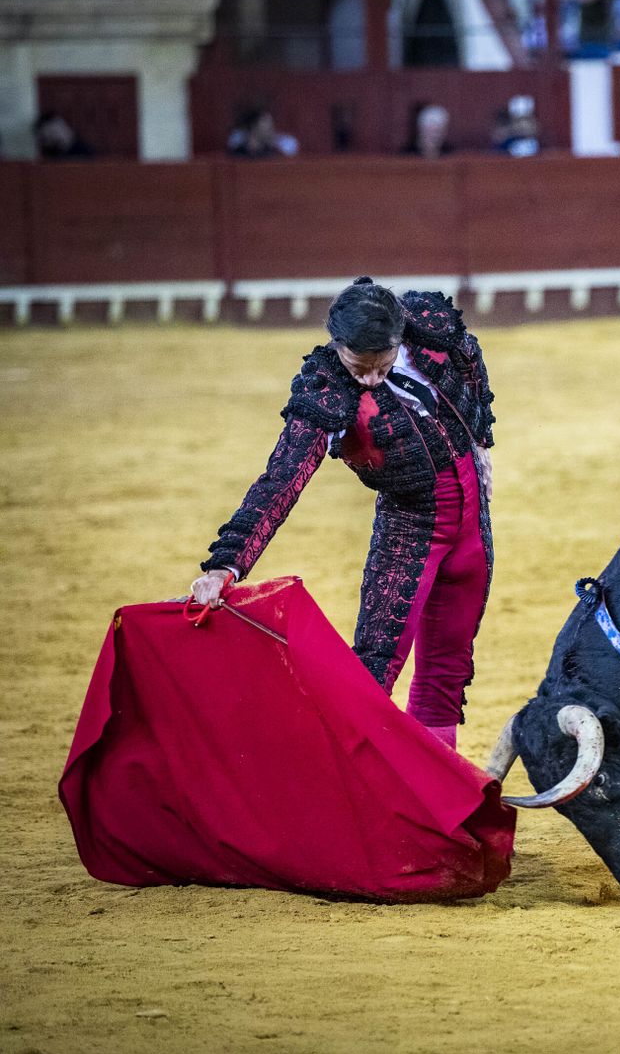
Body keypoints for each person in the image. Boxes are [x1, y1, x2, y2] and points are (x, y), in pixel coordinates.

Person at [190, 279, 496, 752]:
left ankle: (439, 789)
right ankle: (354, 791)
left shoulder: (427, 329)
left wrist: (480, 442)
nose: (372, 379)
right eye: (360, 367)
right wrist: (227, 563)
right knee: (373, 672)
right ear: (338, 346)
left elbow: (469, 357)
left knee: (447, 672)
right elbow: (283, 478)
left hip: (474, 532)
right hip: (409, 534)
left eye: (383, 365)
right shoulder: (326, 389)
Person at [228, 108, 300, 158]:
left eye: (271, 124)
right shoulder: (237, 151)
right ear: (254, 126)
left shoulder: (272, 152)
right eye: (265, 124)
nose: (270, 128)